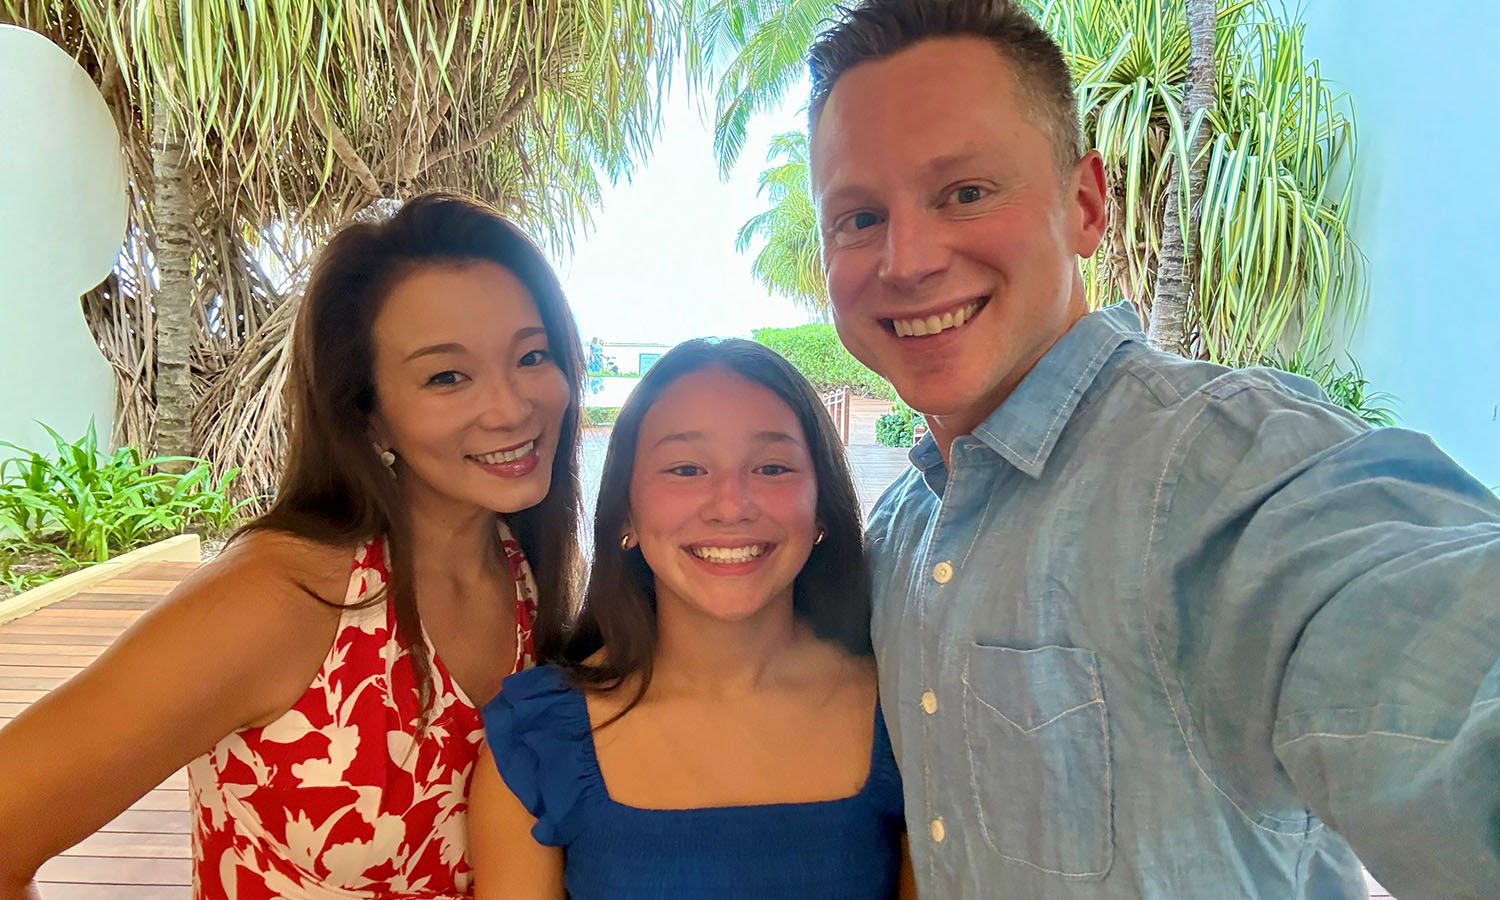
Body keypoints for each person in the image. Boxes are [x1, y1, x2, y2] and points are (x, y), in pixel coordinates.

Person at [805, 1, 1500, 898]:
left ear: (1086, 205)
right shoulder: (899, 534)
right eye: (858, 217)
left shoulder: (1229, 471)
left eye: (966, 193)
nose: (906, 260)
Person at [0, 192, 587, 899]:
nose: (512, 406)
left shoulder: (531, 577)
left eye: (532, 355)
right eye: (447, 376)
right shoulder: (282, 599)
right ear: (368, 414)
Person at [468, 339, 913, 899]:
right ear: (626, 513)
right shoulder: (536, 742)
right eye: (685, 468)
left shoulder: (907, 712)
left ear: (821, 506)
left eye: (772, 467)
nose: (731, 505)